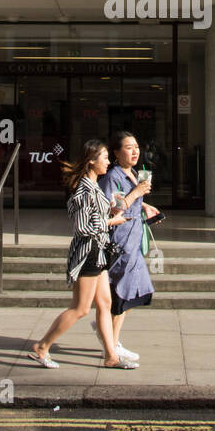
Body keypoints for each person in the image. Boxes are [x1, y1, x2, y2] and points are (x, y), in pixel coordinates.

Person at [29, 139, 137, 369]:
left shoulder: (94, 186)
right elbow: (82, 228)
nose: (108, 162)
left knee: (105, 303)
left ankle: (111, 356)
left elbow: (94, 217)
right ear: (91, 161)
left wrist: (111, 209)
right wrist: (112, 220)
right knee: (80, 308)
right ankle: (42, 346)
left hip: (97, 253)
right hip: (87, 253)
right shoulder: (84, 190)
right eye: (105, 158)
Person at [98, 131, 160, 360]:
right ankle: (111, 347)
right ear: (116, 152)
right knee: (121, 295)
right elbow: (113, 209)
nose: (135, 151)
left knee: (132, 293)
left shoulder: (133, 173)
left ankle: (111, 339)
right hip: (120, 243)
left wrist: (145, 206)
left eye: (136, 147)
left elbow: (132, 202)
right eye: (128, 147)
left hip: (134, 242)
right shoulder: (113, 176)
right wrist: (137, 193)